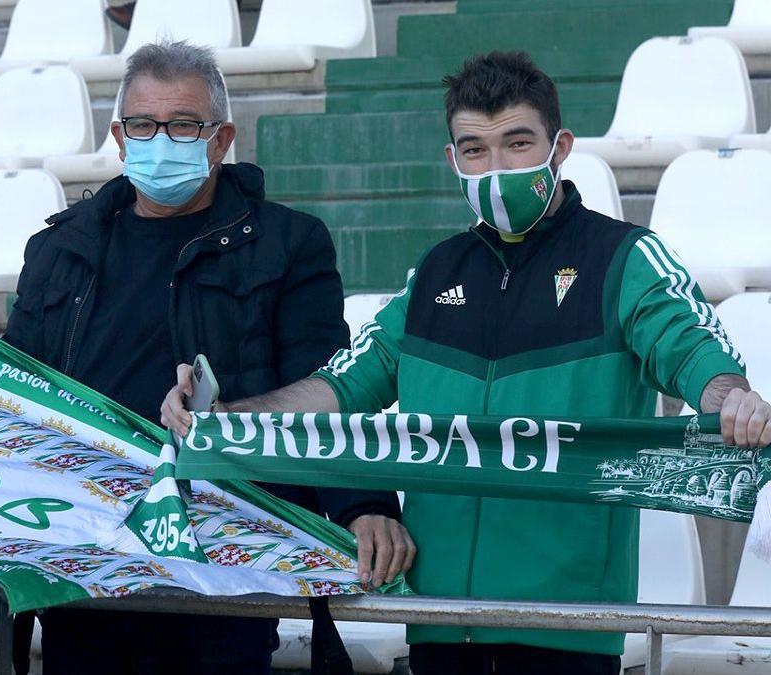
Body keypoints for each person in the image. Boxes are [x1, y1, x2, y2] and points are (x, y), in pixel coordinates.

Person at [163, 51, 771, 675]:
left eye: (517, 143)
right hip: (440, 625)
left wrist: (733, 397)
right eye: (475, 150)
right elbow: (342, 389)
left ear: (559, 147)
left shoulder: (626, 258)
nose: (497, 167)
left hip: (570, 629)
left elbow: (691, 349)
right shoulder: (433, 274)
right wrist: (224, 418)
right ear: (452, 160)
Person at [2, 40, 413, 674]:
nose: (159, 139)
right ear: (119, 136)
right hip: (87, 550)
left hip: (224, 555)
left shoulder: (286, 243)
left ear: (221, 140)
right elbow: (13, 389)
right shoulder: (58, 250)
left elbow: (328, 383)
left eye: (183, 125)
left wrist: (366, 506)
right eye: (143, 124)